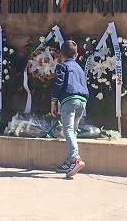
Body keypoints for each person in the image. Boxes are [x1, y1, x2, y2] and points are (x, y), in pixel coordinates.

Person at [50, 40, 89, 178]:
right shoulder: (79, 68)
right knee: (74, 130)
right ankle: (68, 163)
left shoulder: (62, 66)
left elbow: (58, 84)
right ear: (76, 55)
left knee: (67, 129)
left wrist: (53, 101)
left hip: (69, 100)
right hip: (82, 100)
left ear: (61, 55)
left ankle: (76, 158)